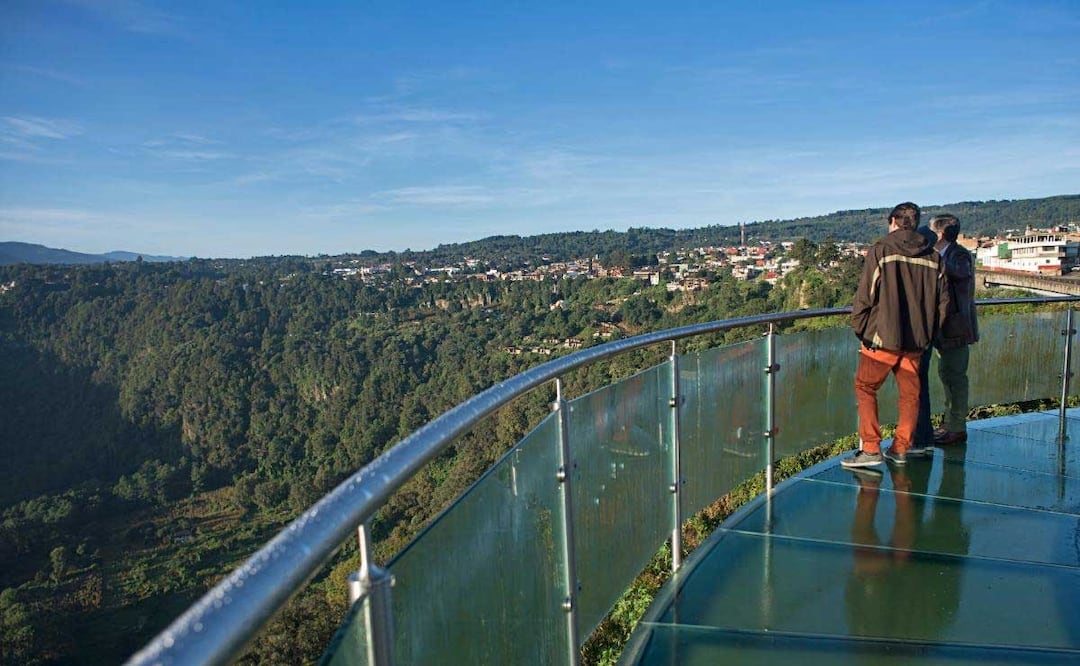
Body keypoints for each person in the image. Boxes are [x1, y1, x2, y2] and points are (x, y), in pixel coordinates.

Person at [843, 202, 949, 468]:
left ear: (893, 221)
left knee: (866, 387)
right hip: (916, 341)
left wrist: (862, 330)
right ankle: (900, 447)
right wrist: (928, 335)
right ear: (915, 222)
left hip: (882, 339)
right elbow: (943, 304)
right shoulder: (934, 257)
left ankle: (870, 449)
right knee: (910, 395)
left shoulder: (882, 249)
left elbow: (865, 296)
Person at [930, 214, 979, 444]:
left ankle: (956, 426)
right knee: (947, 374)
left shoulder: (958, 255)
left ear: (940, 234)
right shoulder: (951, 254)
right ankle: (950, 423)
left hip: (956, 327)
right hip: (948, 328)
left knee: (955, 377)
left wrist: (933, 258)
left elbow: (959, 273)